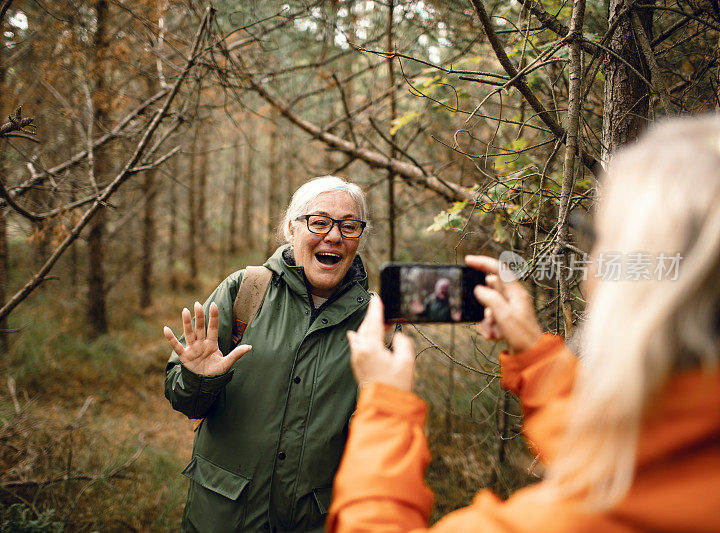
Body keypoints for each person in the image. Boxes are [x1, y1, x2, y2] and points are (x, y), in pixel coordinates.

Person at [327, 116, 720, 532]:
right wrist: (537, 359)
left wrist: (385, 405)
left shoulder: (571, 520)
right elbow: (646, 447)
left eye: (601, 241)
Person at [163, 176, 371, 532]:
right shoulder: (245, 290)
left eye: (349, 226)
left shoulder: (375, 322)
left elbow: (379, 437)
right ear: (292, 228)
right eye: (319, 222)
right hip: (224, 516)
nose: (334, 236)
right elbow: (186, 402)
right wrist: (199, 379)